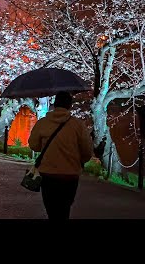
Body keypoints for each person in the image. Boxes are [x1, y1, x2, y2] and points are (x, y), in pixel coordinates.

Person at [28, 91, 93, 220]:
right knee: (64, 209)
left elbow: (33, 145)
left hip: (48, 174)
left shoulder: (43, 123)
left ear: (55, 104)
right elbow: (87, 150)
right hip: (70, 174)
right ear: (70, 106)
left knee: (51, 209)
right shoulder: (77, 125)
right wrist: (80, 162)